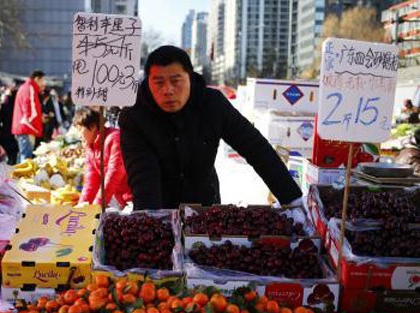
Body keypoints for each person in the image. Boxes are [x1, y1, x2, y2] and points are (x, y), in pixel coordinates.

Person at [119, 46, 302, 210]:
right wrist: (150, 223)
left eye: (176, 81)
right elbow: (143, 174)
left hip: (205, 208)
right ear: (147, 81)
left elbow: (254, 146)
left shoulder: (211, 104)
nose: (168, 90)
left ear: (189, 77)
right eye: (158, 82)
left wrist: (291, 198)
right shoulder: (134, 116)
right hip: (160, 207)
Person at [73, 108, 132, 209]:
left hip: (134, 196)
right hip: (120, 199)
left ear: (93, 127)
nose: (78, 135)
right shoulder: (90, 147)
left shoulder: (114, 138)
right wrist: (82, 206)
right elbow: (91, 181)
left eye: (80, 129)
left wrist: (96, 206)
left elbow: (113, 175)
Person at [12, 70, 46, 162]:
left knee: (22, 155)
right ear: (37, 79)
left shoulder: (25, 87)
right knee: (26, 158)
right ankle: (22, 177)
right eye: (42, 80)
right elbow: (29, 108)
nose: (43, 83)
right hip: (27, 128)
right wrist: (36, 121)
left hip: (23, 127)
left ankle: (17, 176)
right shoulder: (30, 88)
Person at [0, 83, 20, 165]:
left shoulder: (5, 102)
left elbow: (1, 117)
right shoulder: (18, 103)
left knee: (6, 160)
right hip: (14, 133)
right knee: (13, 157)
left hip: (6, 132)